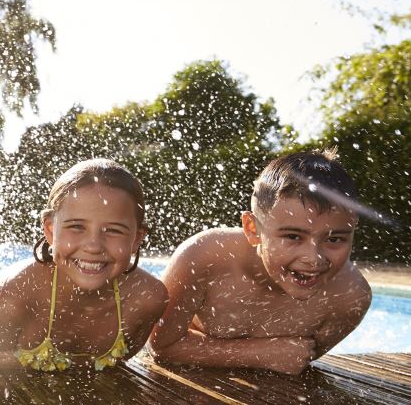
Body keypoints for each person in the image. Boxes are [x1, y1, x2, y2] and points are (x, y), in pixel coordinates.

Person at [149, 149, 371, 375]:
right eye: (293, 237)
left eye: (334, 239)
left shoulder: (350, 297)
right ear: (253, 229)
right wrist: (259, 353)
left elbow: (295, 360)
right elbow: (162, 345)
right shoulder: (205, 256)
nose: (314, 259)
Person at [0, 159, 167, 372]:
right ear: (50, 230)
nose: (94, 246)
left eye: (113, 230)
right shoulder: (17, 294)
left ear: (136, 239)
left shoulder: (147, 298)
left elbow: (117, 369)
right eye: (77, 226)